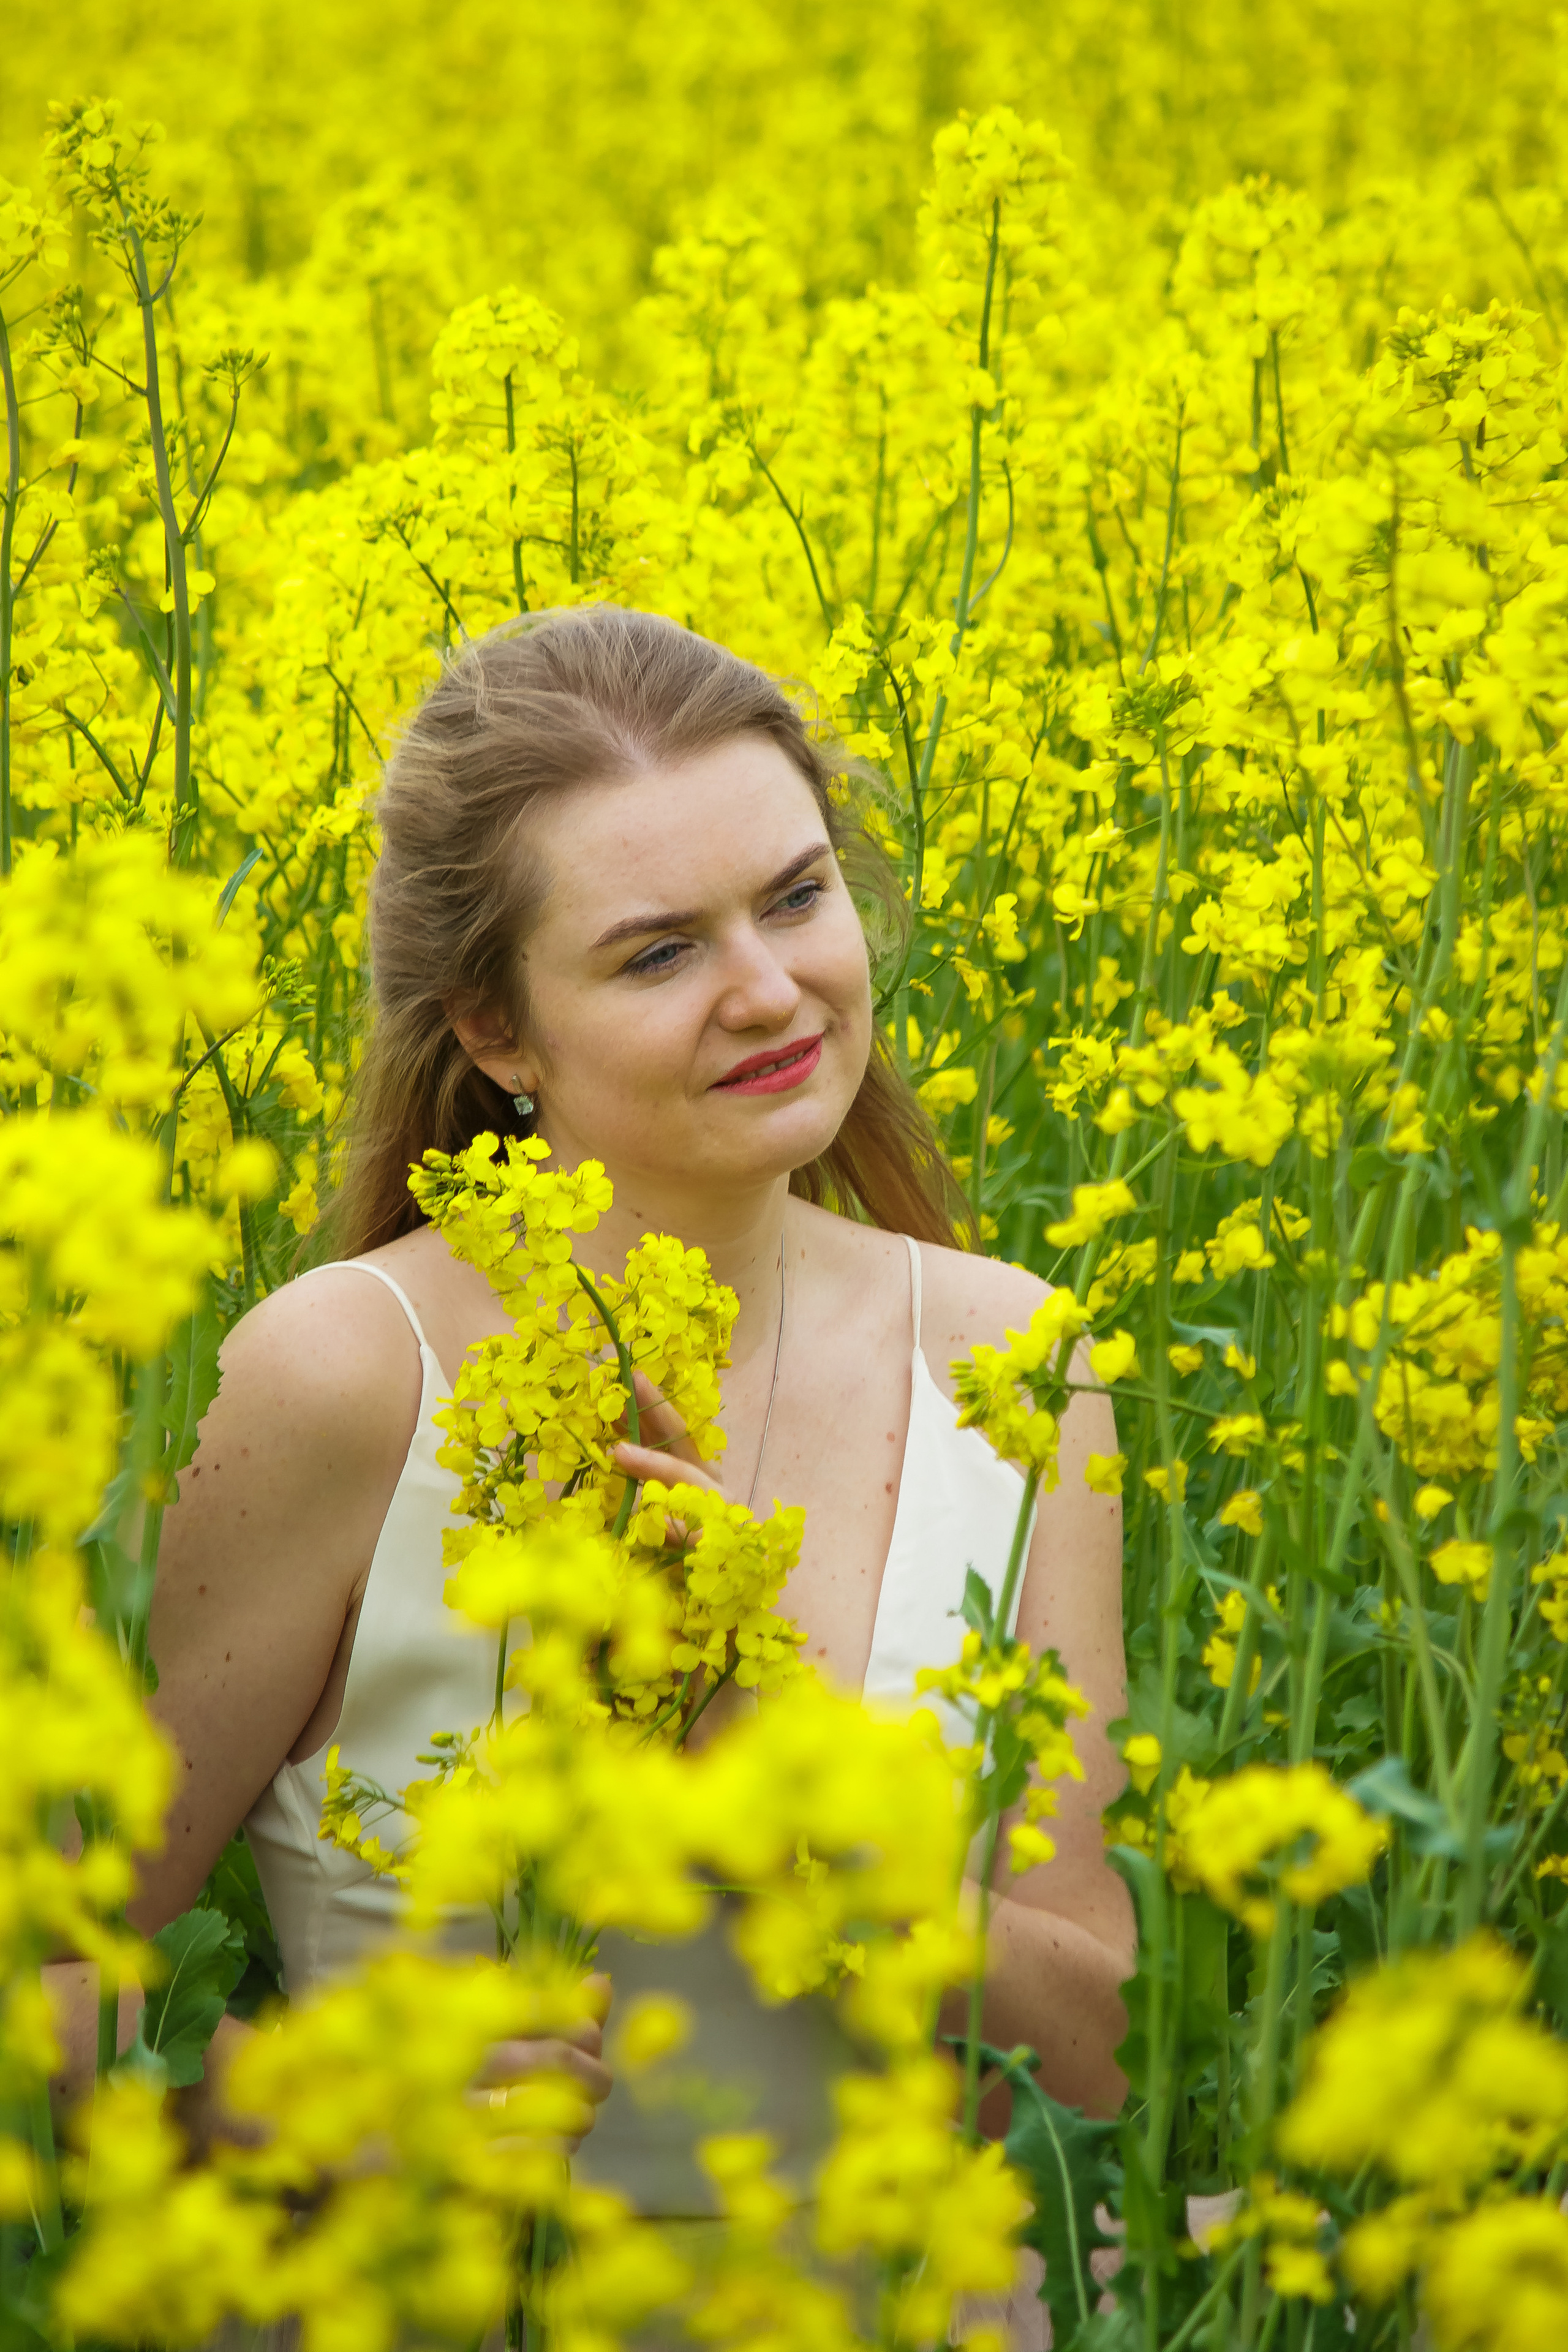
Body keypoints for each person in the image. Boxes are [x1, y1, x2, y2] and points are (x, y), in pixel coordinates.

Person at [51, 606, 1133, 2209]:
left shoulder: (1010, 1355)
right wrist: (290, 2110)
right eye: (661, 950)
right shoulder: (342, 1376)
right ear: (495, 1031)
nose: (772, 991)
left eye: (797, 898)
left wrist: (745, 1747)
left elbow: (1097, 2060)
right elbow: (47, 1981)